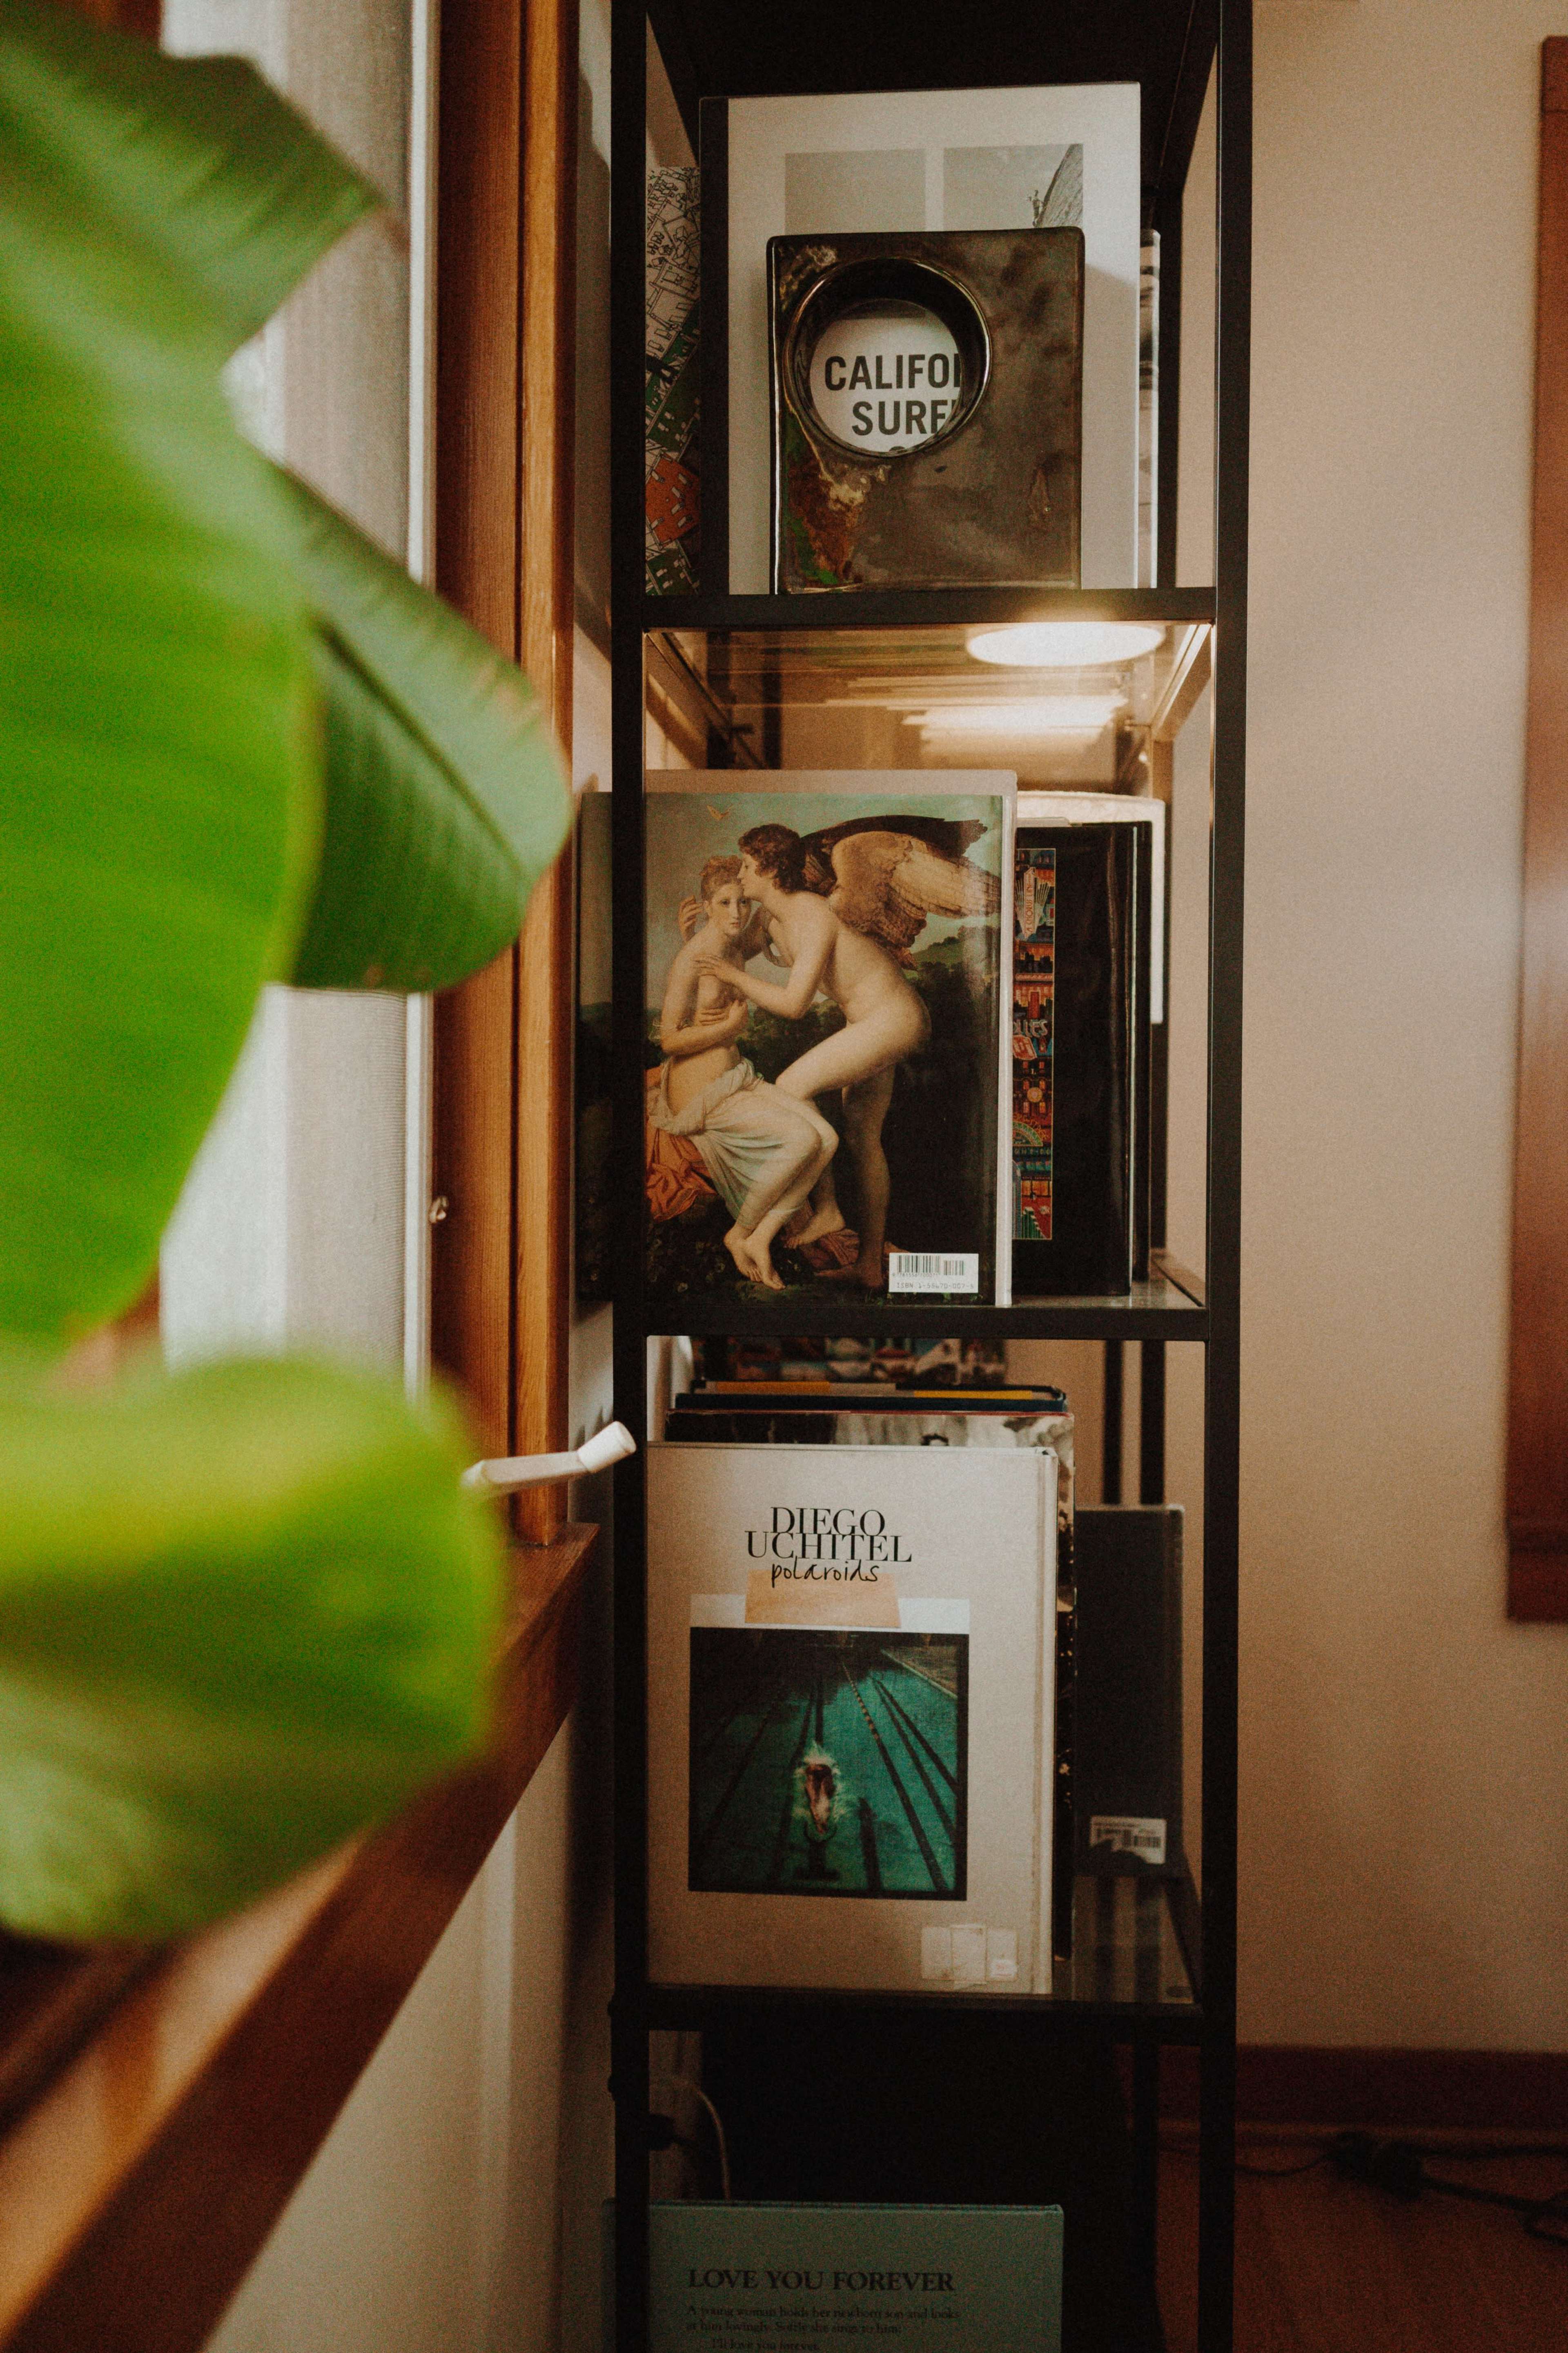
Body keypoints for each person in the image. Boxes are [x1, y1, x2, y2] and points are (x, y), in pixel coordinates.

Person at [694, 824, 930, 1291]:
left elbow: (794, 1005)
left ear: (767, 868)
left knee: (790, 1088)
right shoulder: (771, 918)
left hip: (893, 1019)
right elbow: (735, 948)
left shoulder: (813, 914)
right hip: (868, 1022)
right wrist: (699, 931)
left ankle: (825, 1210)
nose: (740, 876)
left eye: (745, 865)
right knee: (863, 1137)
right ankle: (869, 1266)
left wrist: (735, 980)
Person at [650, 856, 837, 1287]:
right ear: (708, 905)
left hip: (735, 1077)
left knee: (827, 1138)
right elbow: (669, 1040)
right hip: (701, 1091)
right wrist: (730, 1030)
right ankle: (740, 1235)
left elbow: (776, 902)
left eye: (741, 902)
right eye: (724, 903)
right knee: (804, 1138)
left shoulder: (734, 943)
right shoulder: (694, 958)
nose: (737, 913)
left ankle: (760, 1237)